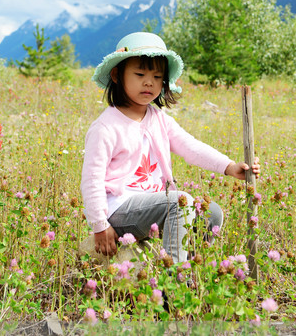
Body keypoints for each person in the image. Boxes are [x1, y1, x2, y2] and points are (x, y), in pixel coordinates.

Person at [81, 32, 260, 263]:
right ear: (117, 75)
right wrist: (99, 225)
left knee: (211, 213)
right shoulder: (106, 127)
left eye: (157, 76)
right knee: (179, 203)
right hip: (120, 210)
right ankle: (175, 280)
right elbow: (91, 179)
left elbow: (190, 146)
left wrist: (229, 166)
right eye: (140, 74)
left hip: (153, 204)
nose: (149, 82)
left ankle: (194, 265)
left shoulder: (158, 118)